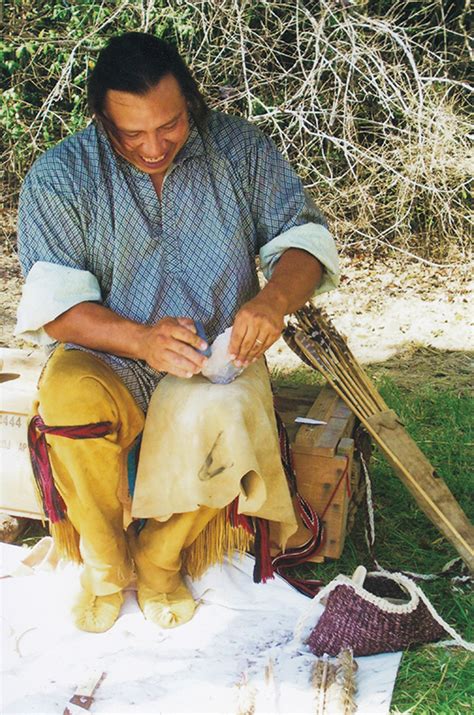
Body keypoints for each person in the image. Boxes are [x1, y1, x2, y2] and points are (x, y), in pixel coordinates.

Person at [15, 32, 339, 633]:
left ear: (191, 100)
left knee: (234, 412)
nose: (153, 147)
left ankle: (160, 559)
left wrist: (271, 302)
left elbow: (304, 240)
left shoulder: (241, 150)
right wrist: (141, 340)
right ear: (101, 118)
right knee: (65, 395)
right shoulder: (61, 175)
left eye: (168, 126)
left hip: (218, 354)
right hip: (108, 353)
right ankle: (106, 561)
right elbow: (54, 307)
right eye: (130, 133)